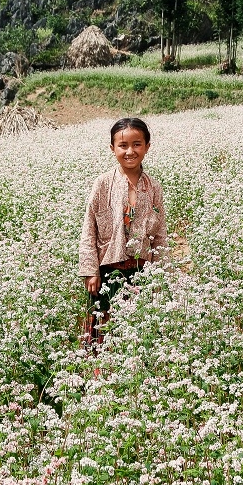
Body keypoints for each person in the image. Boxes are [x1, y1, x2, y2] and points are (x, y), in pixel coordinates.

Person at [79, 117, 168, 342]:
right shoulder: (102, 184)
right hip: (107, 269)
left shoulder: (154, 187)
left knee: (139, 329)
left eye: (137, 144)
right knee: (104, 328)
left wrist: (162, 275)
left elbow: (160, 235)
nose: (130, 151)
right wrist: (91, 270)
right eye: (123, 145)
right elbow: (89, 228)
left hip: (143, 269)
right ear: (112, 148)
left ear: (147, 147)